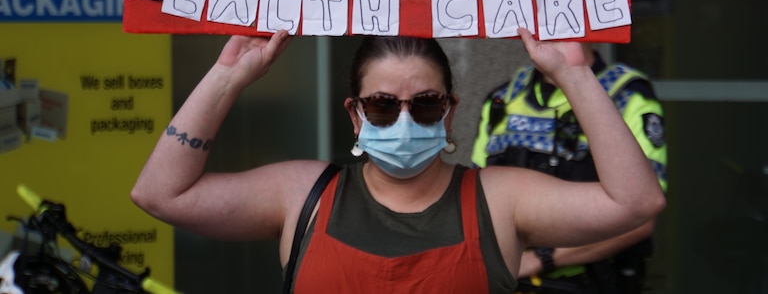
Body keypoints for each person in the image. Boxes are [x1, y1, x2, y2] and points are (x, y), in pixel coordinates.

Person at [131, 28, 665, 293]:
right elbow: (160, 194)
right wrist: (229, 75)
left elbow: (637, 202)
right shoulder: (303, 195)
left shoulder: (498, 198)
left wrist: (574, 75)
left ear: (450, 111)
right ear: (355, 114)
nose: (404, 121)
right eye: (384, 105)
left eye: (426, 103)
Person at [472, 42, 668, 294]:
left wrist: (539, 260)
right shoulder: (502, 98)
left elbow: (642, 219)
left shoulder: (627, 96)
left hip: (591, 282)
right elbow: (475, 203)